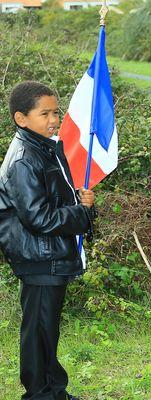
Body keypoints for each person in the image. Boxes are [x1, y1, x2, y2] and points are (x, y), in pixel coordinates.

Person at [0, 81, 96, 399]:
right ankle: (39, 394)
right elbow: (40, 219)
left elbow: (53, 200)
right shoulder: (24, 158)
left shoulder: (45, 146)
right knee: (39, 331)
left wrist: (78, 203)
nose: (54, 119)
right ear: (21, 118)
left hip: (49, 255)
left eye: (56, 111)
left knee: (47, 329)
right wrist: (81, 213)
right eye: (45, 113)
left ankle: (54, 390)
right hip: (39, 257)